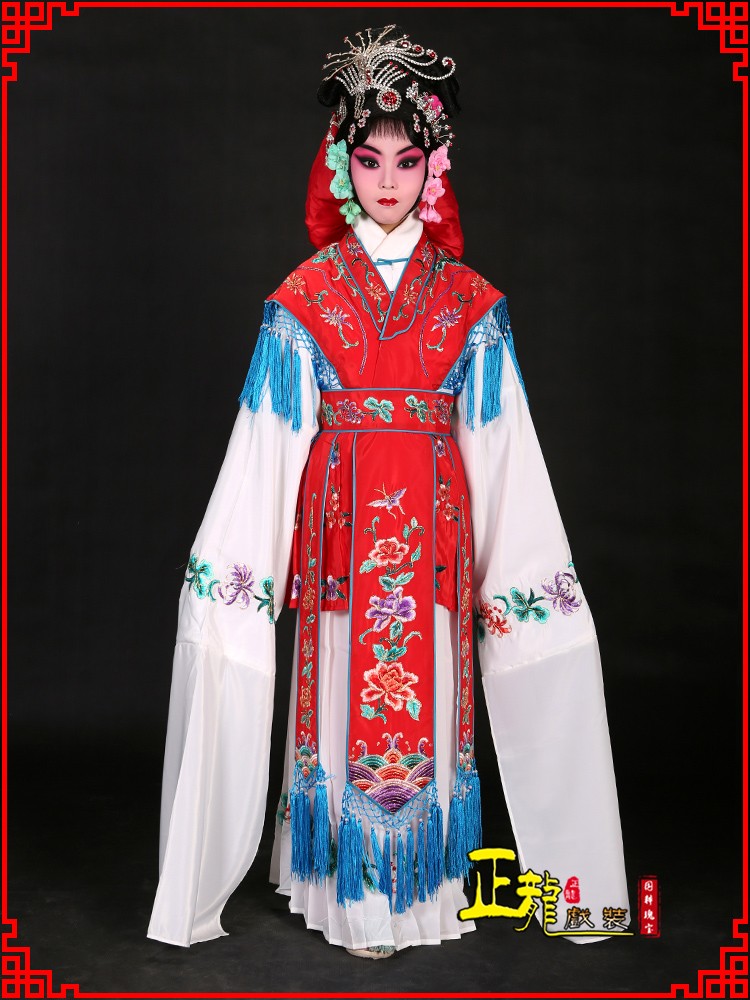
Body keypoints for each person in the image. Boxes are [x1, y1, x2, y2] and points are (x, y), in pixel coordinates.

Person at [147, 24, 629, 958]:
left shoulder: (469, 305)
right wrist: (239, 576)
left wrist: (515, 583)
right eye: (369, 161)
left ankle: (426, 895)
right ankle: (349, 898)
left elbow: (504, 456)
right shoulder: (306, 299)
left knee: (433, 708)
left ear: (433, 168)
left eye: (408, 162)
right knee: (337, 710)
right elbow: (266, 450)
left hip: (430, 560)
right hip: (341, 558)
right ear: (342, 164)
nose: (388, 183)